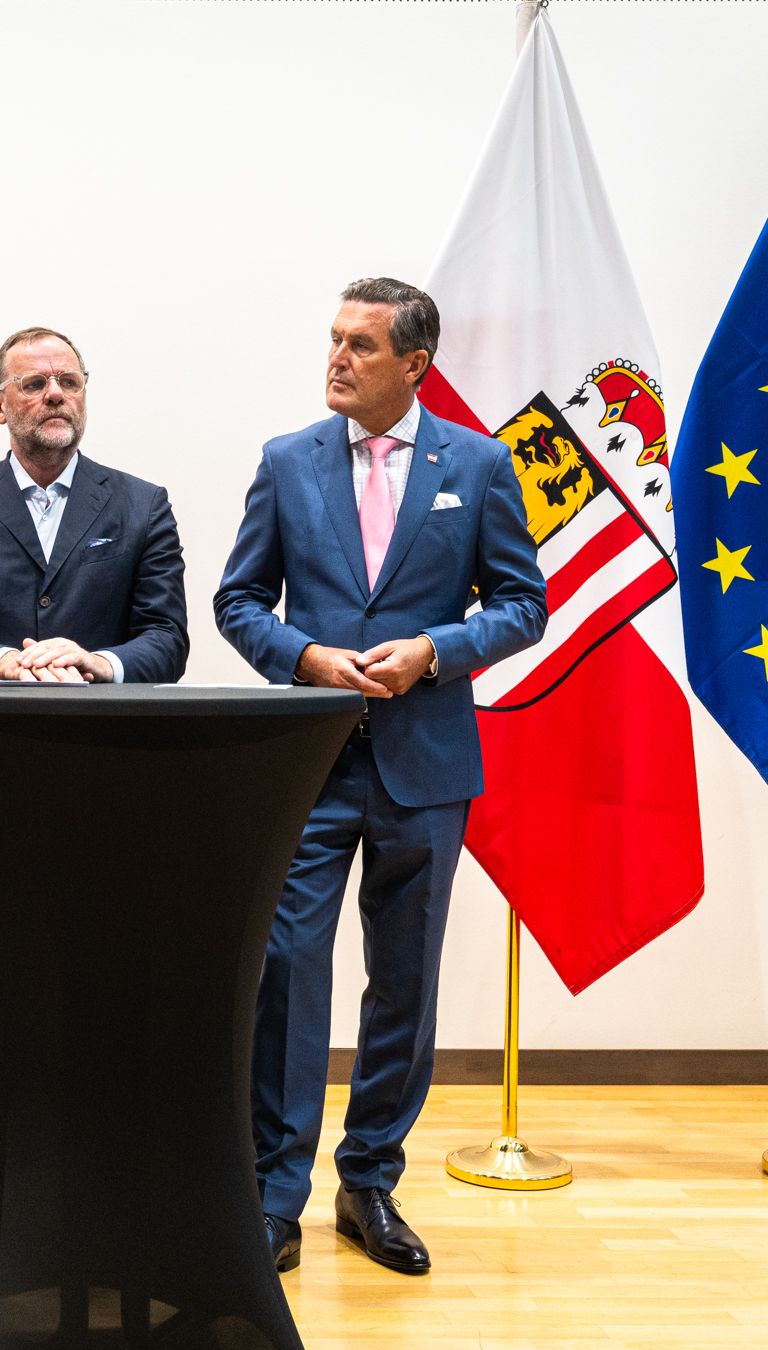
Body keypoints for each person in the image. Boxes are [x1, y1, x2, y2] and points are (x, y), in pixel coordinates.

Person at [213, 278, 544, 1277]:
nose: (338, 358)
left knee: (404, 984)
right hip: (308, 761)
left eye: (360, 345)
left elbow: (522, 603)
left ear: (414, 364)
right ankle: (276, 1193)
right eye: (334, 340)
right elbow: (238, 602)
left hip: (425, 765)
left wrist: (436, 650)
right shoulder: (286, 462)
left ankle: (371, 1184)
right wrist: (306, 657)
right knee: (285, 970)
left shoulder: (479, 466)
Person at [0, 326, 190, 1152]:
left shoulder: (142, 504)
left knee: (105, 973)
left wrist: (94, 660)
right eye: (33, 385)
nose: (54, 395)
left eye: (68, 381)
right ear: (0, 405)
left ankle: (98, 1150)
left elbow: (165, 639)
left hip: (110, 781)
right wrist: (2, 660)